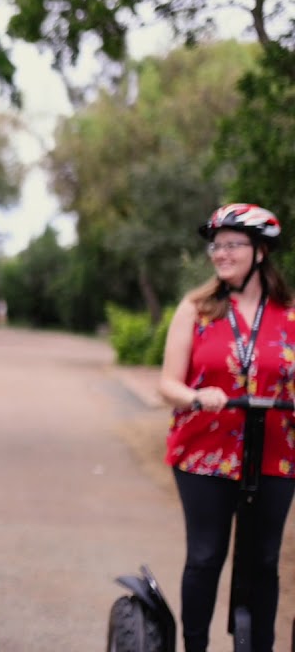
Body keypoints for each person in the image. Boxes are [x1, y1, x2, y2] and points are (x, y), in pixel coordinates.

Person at [158, 203, 295, 652]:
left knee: (264, 561)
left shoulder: (290, 314)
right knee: (205, 557)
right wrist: (197, 396)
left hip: (276, 452)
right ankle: (194, 645)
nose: (220, 252)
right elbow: (167, 384)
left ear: (260, 251)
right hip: (206, 451)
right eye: (216, 245)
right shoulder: (196, 309)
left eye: (233, 244)